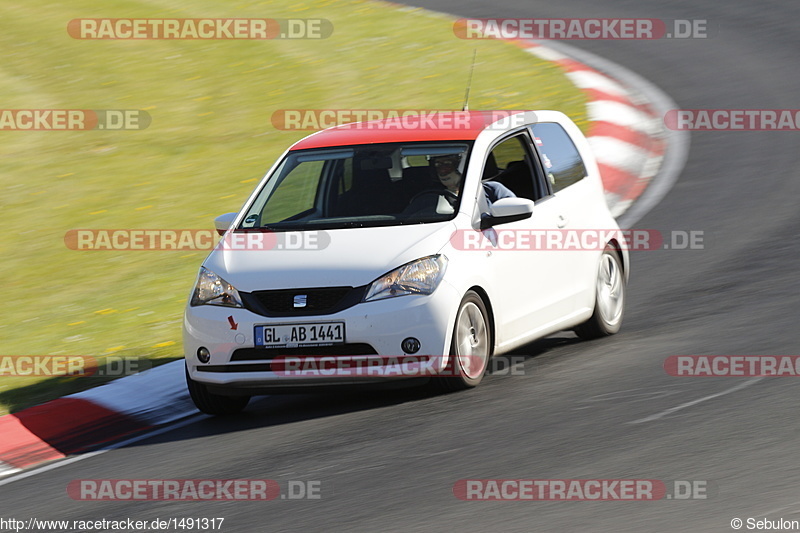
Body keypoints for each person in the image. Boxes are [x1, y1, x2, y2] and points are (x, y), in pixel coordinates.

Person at [431, 154, 516, 204]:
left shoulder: (493, 190)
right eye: (437, 165)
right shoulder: (430, 198)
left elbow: (515, 211)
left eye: (447, 164)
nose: (442, 171)